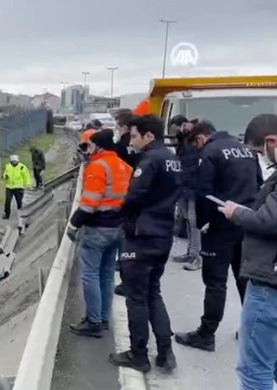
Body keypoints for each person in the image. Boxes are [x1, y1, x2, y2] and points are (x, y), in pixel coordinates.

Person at [216, 114, 277, 389]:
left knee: (254, 371)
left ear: (272, 141)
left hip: (276, 285)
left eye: (260, 151)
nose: (262, 158)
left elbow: (272, 220)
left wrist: (238, 213)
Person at [174, 120, 263, 352]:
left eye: (196, 144)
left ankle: (206, 334)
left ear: (201, 138)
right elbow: (261, 185)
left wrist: (203, 224)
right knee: (246, 279)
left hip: (220, 226)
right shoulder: (246, 150)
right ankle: (252, 331)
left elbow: (203, 193)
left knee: (215, 282)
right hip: (246, 223)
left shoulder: (211, 152)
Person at [109, 115, 180, 374]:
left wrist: (117, 213)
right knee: (153, 293)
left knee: (136, 298)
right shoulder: (172, 159)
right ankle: (165, 351)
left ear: (148, 136)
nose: (132, 141)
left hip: (141, 236)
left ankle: (138, 355)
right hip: (163, 235)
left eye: (135, 136)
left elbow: (133, 198)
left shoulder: (150, 161)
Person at [65, 129, 131, 337]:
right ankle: (102, 318)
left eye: (90, 146)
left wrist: (74, 224)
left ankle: (93, 321)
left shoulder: (97, 167)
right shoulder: (124, 166)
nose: (88, 151)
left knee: (90, 274)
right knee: (107, 274)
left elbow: (89, 203)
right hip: (118, 228)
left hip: (97, 229)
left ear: (98, 147)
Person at [168, 115, 202, 271]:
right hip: (184, 187)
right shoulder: (182, 140)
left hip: (193, 187)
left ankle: (196, 255)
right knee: (188, 220)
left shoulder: (193, 140)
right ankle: (190, 252)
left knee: (194, 222)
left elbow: (191, 163)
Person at [112, 109, 138, 296]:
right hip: (136, 197)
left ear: (123, 128)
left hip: (124, 196)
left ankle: (126, 279)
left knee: (125, 239)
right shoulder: (140, 147)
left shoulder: (121, 147)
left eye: (117, 127)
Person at [2, 154, 31, 219]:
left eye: (15, 161)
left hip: (19, 187)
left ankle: (20, 214)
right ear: (11, 161)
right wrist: (5, 176)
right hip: (9, 187)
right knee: (7, 201)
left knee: (19, 202)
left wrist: (28, 184)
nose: (14, 163)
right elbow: (5, 174)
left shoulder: (22, 167)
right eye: (13, 161)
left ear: (17, 161)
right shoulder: (7, 166)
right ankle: (7, 214)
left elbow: (26, 176)